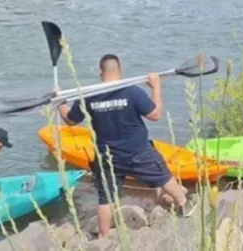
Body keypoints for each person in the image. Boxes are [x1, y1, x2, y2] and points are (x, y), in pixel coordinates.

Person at [57, 53, 196, 237]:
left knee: (105, 198)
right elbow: (155, 115)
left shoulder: (89, 96)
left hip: (108, 157)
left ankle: (104, 238)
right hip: (138, 151)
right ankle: (183, 203)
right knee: (162, 175)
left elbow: (70, 120)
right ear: (120, 70)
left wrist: (60, 101)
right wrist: (156, 87)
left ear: (101, 72)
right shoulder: (132, 91)